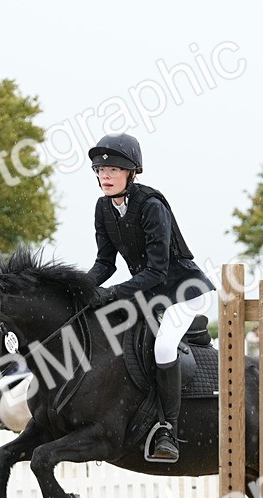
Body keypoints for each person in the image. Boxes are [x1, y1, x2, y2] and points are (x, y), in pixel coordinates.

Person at [84, 133, 215, 462]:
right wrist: (79, 289)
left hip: (185, 291)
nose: (105, 176)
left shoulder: (152, 205)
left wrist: (111, 294)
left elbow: (157, 271)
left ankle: (167, 428)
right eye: (100, 170)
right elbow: (105, 263)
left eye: (113, 169)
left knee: (164, 345)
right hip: (151, 292)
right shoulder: (104, 208)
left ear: (131, 172)